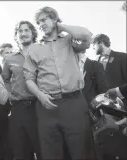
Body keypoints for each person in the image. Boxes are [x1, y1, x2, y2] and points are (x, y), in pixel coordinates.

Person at [23, 6, 93, 160]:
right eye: (38, 22)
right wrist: (40, 95)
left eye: (44, 19)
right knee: (51, 153)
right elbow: (29, 79)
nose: (41, 24)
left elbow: (87, 35)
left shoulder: (70, 40)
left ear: (54, 19)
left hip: (74, 103)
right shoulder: (34, 49)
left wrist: (60, 26)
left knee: (81, 151)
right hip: (47, 107)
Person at [2, 21, 40, 160]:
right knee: (20, 151)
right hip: (18, 109)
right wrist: (10, 93)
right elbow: (5, 79)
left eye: (26, 30)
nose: (23, 34)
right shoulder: (10, 58)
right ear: (16, 36)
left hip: (40, 107)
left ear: (33, 33)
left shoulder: (41, 53)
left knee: (43, 150)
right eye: (20, 31)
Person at [93, 34, 127, 106]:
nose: (93, 48)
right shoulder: (94, 62)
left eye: (93, 44)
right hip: (102, 105)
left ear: (100, 43)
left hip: (122, 104)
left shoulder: (122, 57)